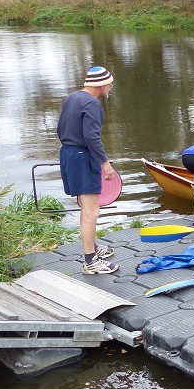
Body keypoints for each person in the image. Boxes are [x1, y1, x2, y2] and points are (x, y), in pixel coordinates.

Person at [57, 65, 119, 274]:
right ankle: (90, 261)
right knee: (92, 210)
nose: (110, 88)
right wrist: (105, 163)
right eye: (110, 84)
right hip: (82, 157)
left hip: (67, 154)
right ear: (101, 85)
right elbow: (92, 137)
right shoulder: (92, 104)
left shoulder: (71, 98)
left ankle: (92, 247)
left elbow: (60, 129)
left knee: (85, 207)